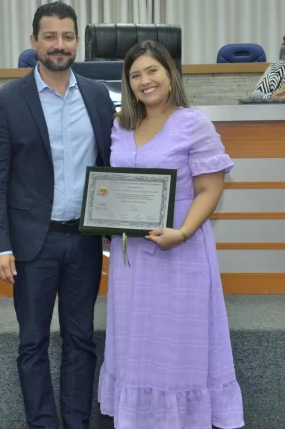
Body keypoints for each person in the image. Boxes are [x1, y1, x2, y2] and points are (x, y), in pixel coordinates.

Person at [0, 2, 115, 429]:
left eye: (68, 36)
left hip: (84, 241)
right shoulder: (7, 100)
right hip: (30, 244)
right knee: (33, 343)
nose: (60, 45)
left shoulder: (97, 95)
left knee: (81, 340)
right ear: (34, 41)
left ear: (77, 42)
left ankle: (76, 423)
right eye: (50, 36)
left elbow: (110, 165)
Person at [98, 40, 244, 429]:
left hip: (180, 250)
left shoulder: (194, 123)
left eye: (152, 71)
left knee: (178, 341)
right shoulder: (121, 126)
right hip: (132, 259)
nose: (145, 81)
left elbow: (210, 189)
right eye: (135, 75)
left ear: (170, 74)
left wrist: (181, 232)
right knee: (136, 339)